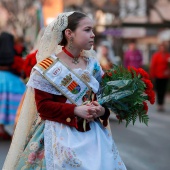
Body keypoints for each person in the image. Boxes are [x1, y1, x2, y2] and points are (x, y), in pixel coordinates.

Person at [3, 12, 127, 170]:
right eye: (87, 30)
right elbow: (43, 107)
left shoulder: (93, 65)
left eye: (92, 30)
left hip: (94, 136)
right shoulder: (46, 67)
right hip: (57, 134)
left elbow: (103, 99)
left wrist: (101, 110)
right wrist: (75, 110)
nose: (93, 35)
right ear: (69, 34)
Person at [0, 32, 26, 140]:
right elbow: (19, 66)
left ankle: (1, 128)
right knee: (16, 104)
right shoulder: (14, 51)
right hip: (12, 80)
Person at [150, 42, 170, 112]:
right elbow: (153, 65)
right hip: (158, 75)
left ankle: (162, 104)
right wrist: (152, 75)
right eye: (161, 47)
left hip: (165, 75)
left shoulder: (168, 55)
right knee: (159, 90)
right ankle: (159, 104)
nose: (163, 49)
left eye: (164, 47)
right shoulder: (156, 55)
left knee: (163, 90)